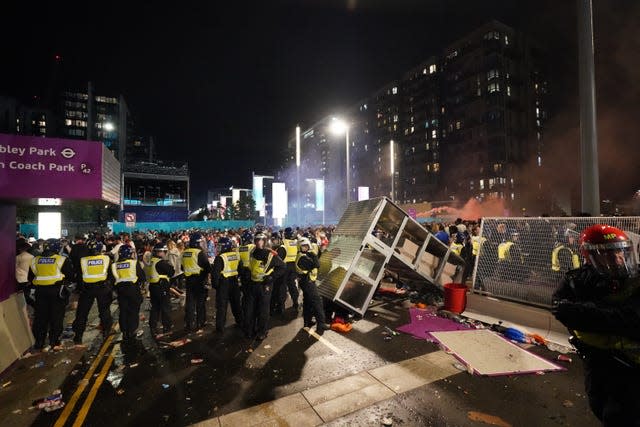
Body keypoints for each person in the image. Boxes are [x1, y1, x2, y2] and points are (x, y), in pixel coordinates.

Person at [552, 224, 640, 425]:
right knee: (598, 405)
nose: (617, 257)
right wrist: (605, 314)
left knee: (620, 416)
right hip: (596, 362)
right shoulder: (578, 279)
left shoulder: (636, 280)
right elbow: (560, 308)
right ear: (591, 257)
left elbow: (632, 319)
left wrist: (586, 312)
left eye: (620, 251)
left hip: (631, 366)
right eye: (609, 253)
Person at [28, 238, 75, 350]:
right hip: (57, 292)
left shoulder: (35, 260)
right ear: (58, 248)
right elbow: (70, 276)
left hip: (40, 292)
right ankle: (54, 341)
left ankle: (39, 342)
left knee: (40, 317)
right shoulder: (61, 260)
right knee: (56, 316)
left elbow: (30, 277)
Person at [244, 232, 285, 340]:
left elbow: (282, 267)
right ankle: (250, 330)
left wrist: (271, 277)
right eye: (257, 240)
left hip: (265, 285)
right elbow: (250, 265)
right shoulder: (252, 252)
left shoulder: (270, 254)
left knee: (263, 310)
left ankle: (262, 331)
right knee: (250, 309)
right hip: (253, 284)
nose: (259, 242)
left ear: (265, 241)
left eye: (261, 240)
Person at [72, 240, 113, 344]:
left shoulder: (83, 260)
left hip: (87, 289)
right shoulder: (106, 258)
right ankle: (106, 331)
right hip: (102, 288)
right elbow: (110, 273)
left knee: (82, 313)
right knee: (104, 311)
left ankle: (78, 336)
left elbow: (78, 274)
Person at [112, 244, 146, 341]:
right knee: (133, 311)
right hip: (132, 289)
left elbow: (113, 278)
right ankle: (132, 330)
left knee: (123, 311)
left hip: (120, 290)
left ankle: (124, 331)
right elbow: (142, 276)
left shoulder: (115, 265)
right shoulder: (133, 263)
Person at [295, 237, 330, 331]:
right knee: (317, 301)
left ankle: (307, 321)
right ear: (299, 246)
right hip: (308, 282)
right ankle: (321, 323)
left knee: (307, 301)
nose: (305, 248)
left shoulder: (303, 255)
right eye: (303, 246)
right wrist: (314, 255)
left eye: (306, 246)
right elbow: (316, 265)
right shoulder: (303, 257)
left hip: (306, 281)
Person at [211, 236, 243, 333]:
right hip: (234, 283)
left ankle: (220, 327)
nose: (218, 248)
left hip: (223, 284)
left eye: (220, 246)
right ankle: (240, 321)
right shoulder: (236, 255)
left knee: (222, 307)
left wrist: (216, 286)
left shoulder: (220, 258)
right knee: (236, 304)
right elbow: (241, 270)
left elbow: (215, 274)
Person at [181, 232, 212, 331]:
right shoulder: (199, 253)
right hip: (199, 280)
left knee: (190, 303)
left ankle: (189, 323)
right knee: (200, 303)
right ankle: (200, 322)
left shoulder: (185, 252)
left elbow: (182, 267)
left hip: (189, 280)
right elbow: (207, 267)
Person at [145, 242, 175, 336]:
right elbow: (171, 272)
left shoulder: (151, 261)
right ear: (160, 252)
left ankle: (153, 327)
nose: (165, 253)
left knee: (155, 308)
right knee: (165, 308)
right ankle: (167, 328)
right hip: (161, 288)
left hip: (153, 287)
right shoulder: (161, 263)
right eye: (164, 251)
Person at [281, 227, 301, 311]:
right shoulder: (296, 242)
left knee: (282, 286)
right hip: (293, 266)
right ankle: (295, 302)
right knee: (292, 285)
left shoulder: (283, 242)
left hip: (285, 266)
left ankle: (281, 306)